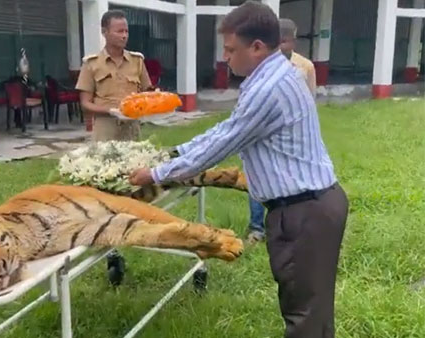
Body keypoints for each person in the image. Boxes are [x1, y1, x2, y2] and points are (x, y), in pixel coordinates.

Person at [128, 2, 348, 337]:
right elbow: (227, 129)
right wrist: (176, 151)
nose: (226, 58)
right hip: (307, 209)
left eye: (231, 50)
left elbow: (223, 144)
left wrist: (156, 174)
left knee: (306, 319)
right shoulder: (271, 77)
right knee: (308, 311)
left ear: (257, 47)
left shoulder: (269, 89)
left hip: (305, 212)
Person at [246, 17, 319, 244]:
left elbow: (309, 102)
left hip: (288, 137)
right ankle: (256, 227)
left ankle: (285, 227)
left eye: (287, 42)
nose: (284, 47)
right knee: (257, 176)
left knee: (286, 180)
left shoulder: (305, 67)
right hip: (260, 133)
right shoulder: (258, 64)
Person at [75, 9, 153, 142]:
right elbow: (85, 103)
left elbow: (148, 93)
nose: (124, 36)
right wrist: (111, 111)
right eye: (119, 31)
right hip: (105, 130)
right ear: (104, 32)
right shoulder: (92, 64)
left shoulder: (137, 61)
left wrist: (154, 96)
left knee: (136, 162)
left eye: (126, 31)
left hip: (132, 129)